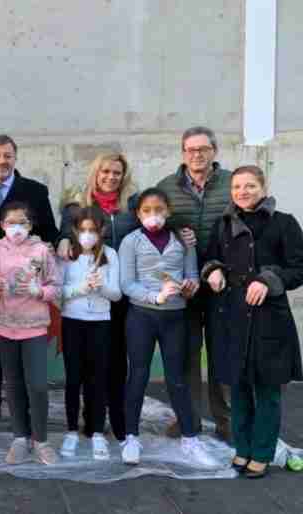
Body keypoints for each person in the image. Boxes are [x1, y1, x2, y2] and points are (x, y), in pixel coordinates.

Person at [202, 166, 303, 479]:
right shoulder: (222, 224)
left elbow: (298, 268)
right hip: (232, 315)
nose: (242, 192)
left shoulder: (283, 223)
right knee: (239, 387)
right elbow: (210, 257)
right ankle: (242, 449)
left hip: (268, 318)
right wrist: (213, 271)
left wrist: (268, 279)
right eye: (236, 187)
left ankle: (262, 452)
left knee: (268, 390)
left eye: (249, 186)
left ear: (263, 187)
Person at [118, 188, 217, 467]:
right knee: (138, 375)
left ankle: (190, 438)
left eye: (159, 210)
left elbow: (193, 275)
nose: (154, 216)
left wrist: (190, 288)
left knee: (177, 378)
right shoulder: (131, 241)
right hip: (141, 316)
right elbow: (127, 283)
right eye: (147, 211)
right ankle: (131, 437)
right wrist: (154, 297)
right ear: (138, 214)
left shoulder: (182, 240)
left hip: (175, 318)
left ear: (168, 212)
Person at [0, 134, 59, 427]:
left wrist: (64, 242)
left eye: (7, 155)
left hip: (25, 288)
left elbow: (49, 232)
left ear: (15, 157)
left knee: (25, 352)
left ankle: (27, 410)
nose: (1, 161)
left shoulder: (35, 190)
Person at [156, 127, 232, 440]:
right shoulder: (167, 186)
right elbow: (152, 222)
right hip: (183, 284)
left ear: (214, 151)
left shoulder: (231, 183)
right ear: (182, 153)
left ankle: (226, 420)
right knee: (186, 354)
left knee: (221, 353)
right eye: (190, 149)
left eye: (203, 149)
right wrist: (174, 231)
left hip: (221, 283)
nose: (196, 155)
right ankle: (188, 418)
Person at [56, 152, 137, 441]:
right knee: (83, 367)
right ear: (95, 173)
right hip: (81, 301)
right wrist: (64, 239)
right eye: (105, 171)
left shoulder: (132, 204)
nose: (111, 177)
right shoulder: (78, 204)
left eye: (117, 172)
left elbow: (156, 221)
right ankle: (89, 421)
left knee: (114, 362)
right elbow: (65, 234)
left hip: (118, 290)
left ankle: (117, 420)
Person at [0, 201, 61, 465]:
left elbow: (56, 287)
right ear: (3, 225)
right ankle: (19, 437)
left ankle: (41, 440)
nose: (16, 228)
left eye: (22, 223)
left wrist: (40, 291)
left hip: (34, 326)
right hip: (4, 326)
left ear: (30, 225)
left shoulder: (41, 251)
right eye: (11, 223)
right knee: (13, 384)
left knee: (37, 385)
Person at [59, 208, 121, 460]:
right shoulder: (66, 254)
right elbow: (58, 292)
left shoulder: (110, 254)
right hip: (72, 322)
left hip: (100, 323)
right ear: (74, 231)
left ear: (102, 231)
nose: (87, 235)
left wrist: (101, 287)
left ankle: (96, 431)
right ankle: (72, 430)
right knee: (74, 377)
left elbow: (116, 294)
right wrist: (81, 288)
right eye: (82, 230)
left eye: (92, 230)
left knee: (98, 378)